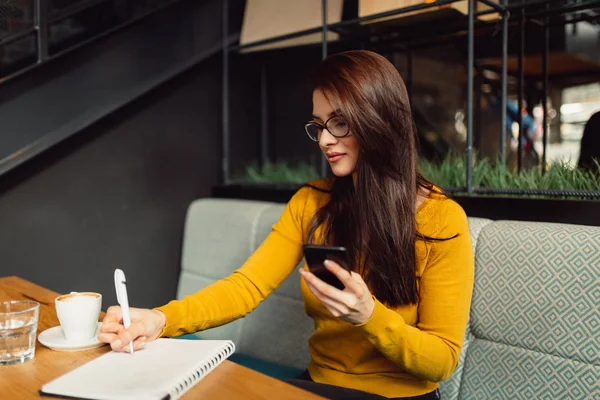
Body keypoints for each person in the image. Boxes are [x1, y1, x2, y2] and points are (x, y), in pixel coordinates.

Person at [99, 50, 474, 400]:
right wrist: (160, 319)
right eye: (319, 125)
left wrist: (369, 317)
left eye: (340, 123)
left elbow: (442, 360)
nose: (325, 140)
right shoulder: (312, 202)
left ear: (378, 121)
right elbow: (245, 288)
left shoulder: (441, 219)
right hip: (318, 386)